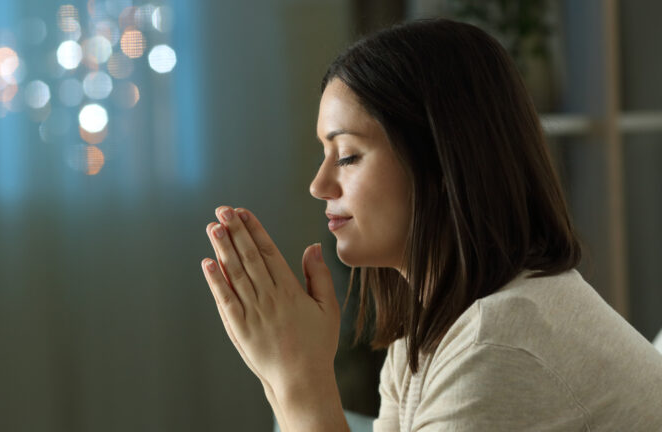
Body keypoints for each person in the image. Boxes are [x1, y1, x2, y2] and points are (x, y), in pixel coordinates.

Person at [201, 18, 662, 432]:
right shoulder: (429, 337)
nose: (319, 185)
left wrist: (299, 380)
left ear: (442, 165)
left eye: (347, 156)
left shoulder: (495, 349)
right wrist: (277, 369)